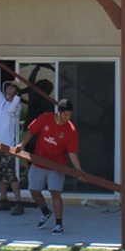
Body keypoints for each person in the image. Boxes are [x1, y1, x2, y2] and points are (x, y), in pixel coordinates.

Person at [16, 99, 82, 235]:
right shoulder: (45, 118)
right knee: (33, 189)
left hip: (57, 165)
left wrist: (79, 171)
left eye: (70, 115)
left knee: (55, 192)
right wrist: (21, 145)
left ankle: (59, 224)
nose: (68, 118)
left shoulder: (71, 130)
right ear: (59, 112)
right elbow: (31, 131)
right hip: (39, 161)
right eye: (66, 115)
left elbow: (72, 153)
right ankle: (45, 211)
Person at [0, 65, 24, 214]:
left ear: (17, 92)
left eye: (14, 87)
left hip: (7, 145)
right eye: (9, 86)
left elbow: (10, 110)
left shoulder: (17, 106)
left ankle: (19, 203)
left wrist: (16, 98)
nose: (10, 88)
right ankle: (3, 200)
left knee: (10, 175)